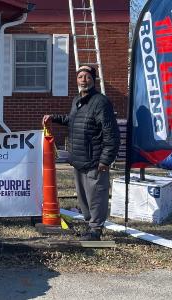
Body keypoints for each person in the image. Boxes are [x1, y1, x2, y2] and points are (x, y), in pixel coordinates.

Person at [42, 65, 120, 241]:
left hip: (95, 160)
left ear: (93, 80)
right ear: (76, 80)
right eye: (80, 76)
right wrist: (54, 117)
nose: (83, 79)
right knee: (84, 198)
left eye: (87, 76)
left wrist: (105, 160)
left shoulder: (101, 102)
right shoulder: (77, 100)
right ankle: (89, 226)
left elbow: (111, 134)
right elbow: (73, 121)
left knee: (96, 197)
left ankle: (95, 230)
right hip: (78, 159)